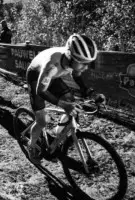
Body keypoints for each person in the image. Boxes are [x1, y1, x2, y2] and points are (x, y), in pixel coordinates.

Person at [25, 34, 98, 164]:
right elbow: (41, 91)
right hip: (36, 76)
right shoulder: (52, 64)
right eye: (82, 63)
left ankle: (55, 135)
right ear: (70, 57)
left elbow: (77, 75)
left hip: (53, 77)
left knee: (71, 101)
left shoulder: (72, 60)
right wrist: (63, 105)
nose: (85, 67)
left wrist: (89, 92)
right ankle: (31, 145)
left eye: (87, 63)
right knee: (42, 121)